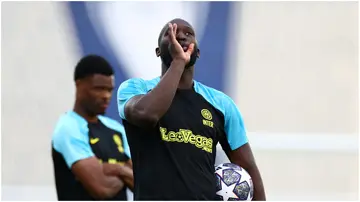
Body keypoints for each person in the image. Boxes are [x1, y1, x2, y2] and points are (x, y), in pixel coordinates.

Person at [117, 18, 266, 200]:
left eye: (188, 34)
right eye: (170, 33)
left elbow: (248, 168)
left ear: (198, 52)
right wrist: (178, 62)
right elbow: (147, 115)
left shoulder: (221, 103)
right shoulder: (135, 88)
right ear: (158, 51)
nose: (180, 36)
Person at [51, 55, 134, 200]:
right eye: (99, 89)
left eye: (109, 90)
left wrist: (117, 169)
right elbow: (103, 188)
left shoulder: (116, 129)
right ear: (79, 85)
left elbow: (144, 183)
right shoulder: (69, 127)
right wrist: (126, 173)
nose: (106, 96)